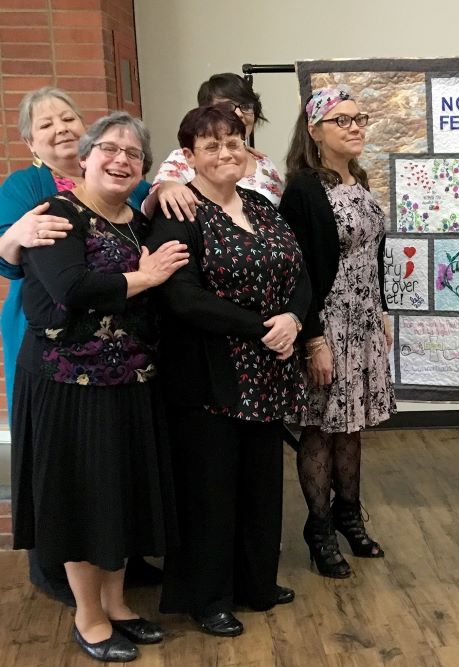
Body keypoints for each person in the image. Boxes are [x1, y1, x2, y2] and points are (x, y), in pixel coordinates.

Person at [12, 112, 189, 662]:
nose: (120, 160)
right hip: (69, 386)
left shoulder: (136, 221)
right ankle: (87, 616)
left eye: (133, 154)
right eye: (109, 148)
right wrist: (147, 278)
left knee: (118, 495)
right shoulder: (56, 215)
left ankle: (116, 605)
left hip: (129, 380)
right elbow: (71, 288)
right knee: (81, 501)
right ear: (83, 158)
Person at [150, 105, 308, 637]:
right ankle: (208, 596)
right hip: (209, 376)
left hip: (267, 372)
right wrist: (263, 325)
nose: (225, 153)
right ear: (189, 155)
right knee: (210, 490)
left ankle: (255, 583)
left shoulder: (262, 206)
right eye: (211, 145)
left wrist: (294, 317)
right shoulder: (177, 212)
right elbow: (182, 297)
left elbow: (300, 272)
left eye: (233, 142)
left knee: (260, 485)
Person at [0, 87, 158, 607]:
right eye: (46, 124)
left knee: (112, 474)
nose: (61, 128)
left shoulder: (124, 183)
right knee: (69, 474)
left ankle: (117, 588)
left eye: (68, 117)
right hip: (55, 344)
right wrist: (16, 234)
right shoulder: (34, 192)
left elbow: (149, 209)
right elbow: (27, 266)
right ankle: (70, 591)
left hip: (121, 359)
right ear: (30, 140)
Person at [279, 86, 396, 579]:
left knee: (352, 426)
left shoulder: (361, 181)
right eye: (341, 120)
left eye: (359, 119)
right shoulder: (305, 189)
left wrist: (384, 309)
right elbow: (298, 271)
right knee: (321, 427)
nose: (354, 127)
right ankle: (320, 528)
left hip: (365, 320)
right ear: (314, 131)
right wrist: (314, 338)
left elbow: (373, 257)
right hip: (327, 325)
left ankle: (350, 515)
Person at [145, 72, 283, 221]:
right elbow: (151, 207)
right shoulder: (184, 158)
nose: (240, 113)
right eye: (228, 106)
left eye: (246, 106)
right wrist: (166, 187)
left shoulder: (264, 162)